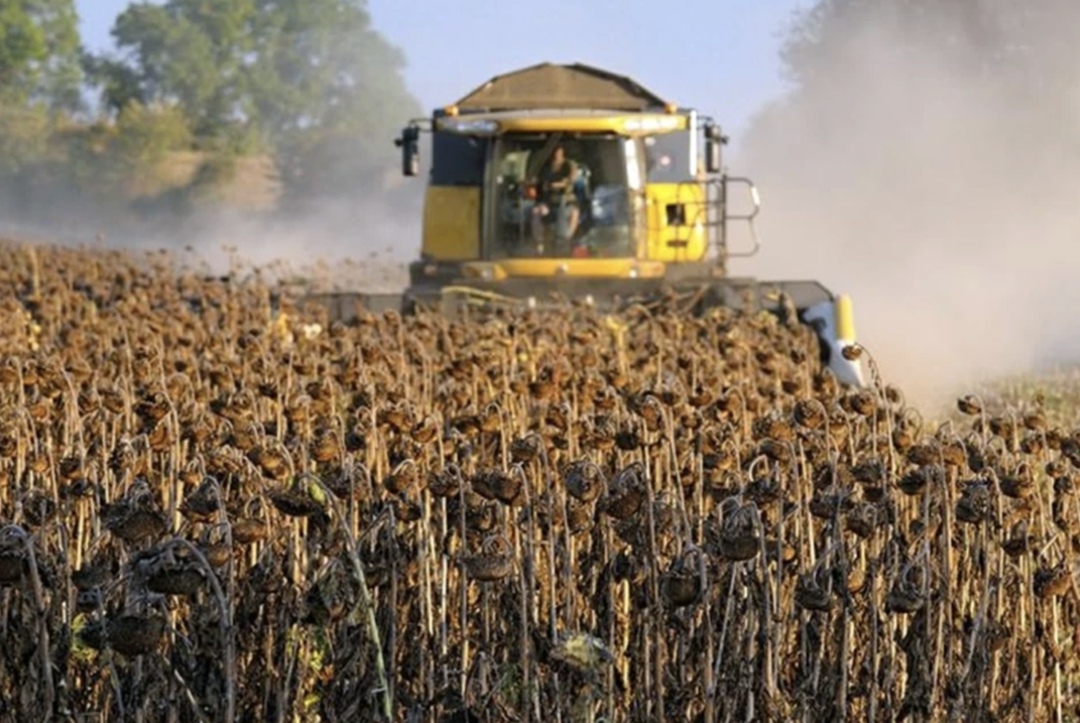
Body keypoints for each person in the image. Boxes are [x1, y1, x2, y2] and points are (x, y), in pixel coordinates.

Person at [531, 144, 581, 250]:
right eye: (553, 151)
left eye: (558, 150)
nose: (556, 153)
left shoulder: (569, 164)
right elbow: (540, 182)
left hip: (567, 200)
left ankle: (567, 238)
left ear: (562, 151)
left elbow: (572, 178)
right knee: (536, 212)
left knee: (574, 213)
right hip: (548, 200)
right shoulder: (545, 166)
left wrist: (561, 184)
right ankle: (539, 243)